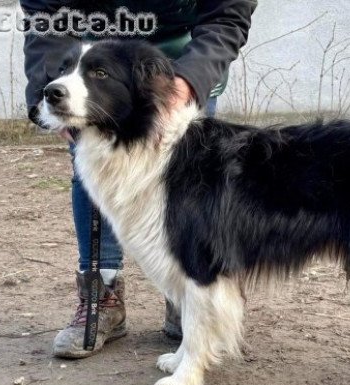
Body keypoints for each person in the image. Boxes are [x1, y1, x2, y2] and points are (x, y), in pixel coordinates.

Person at [19, 0, 257, 358]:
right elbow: (46, 16)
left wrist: (190, 79)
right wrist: (49, 98)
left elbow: (227, 13)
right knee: (97, 172)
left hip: (184, 53)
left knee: (192, 180)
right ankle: (102, 295)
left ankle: (189, 297)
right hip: (97, 61)